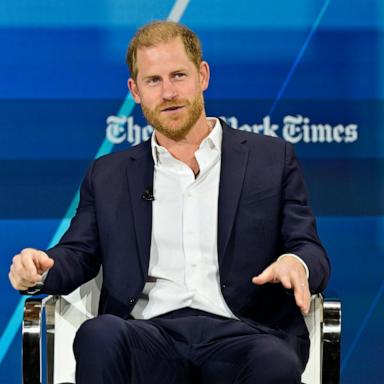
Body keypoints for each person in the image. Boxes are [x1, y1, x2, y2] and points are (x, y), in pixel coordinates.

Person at [9, 21, 330, 384]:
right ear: (135, 91)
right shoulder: (109, 174)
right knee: (100, 334)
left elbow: (309, 248)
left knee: (274, 359)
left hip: (246, 333)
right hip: (149, 335)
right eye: (153, 81)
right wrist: (42, 270)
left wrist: (296, 262)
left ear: (203, 75)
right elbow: (78, 253)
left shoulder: (270, 159)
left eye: (179, 75)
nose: (168, 92)